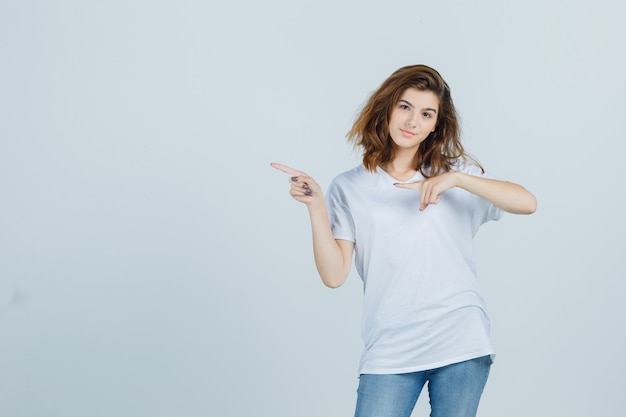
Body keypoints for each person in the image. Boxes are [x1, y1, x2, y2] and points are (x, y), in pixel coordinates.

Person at [271, 64, 536, 417]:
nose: (412, 121)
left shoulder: (455, 175)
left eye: (426, 114)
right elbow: (334, 276)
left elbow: (527, 203)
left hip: (460, 338)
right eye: (405, 107)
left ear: (435, 125)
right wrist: (316, 205)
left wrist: (455, 179)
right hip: (390, 346)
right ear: (388, 107)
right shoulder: (350, 187)